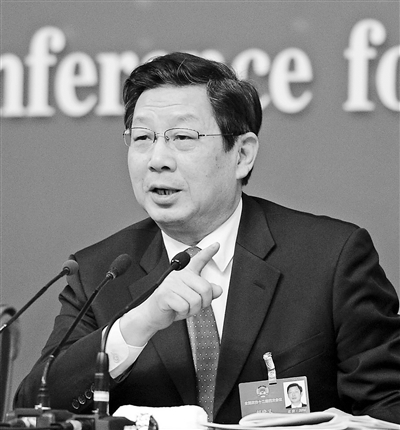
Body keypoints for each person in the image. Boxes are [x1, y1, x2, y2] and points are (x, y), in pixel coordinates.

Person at [14, 52, 400, 425]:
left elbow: (389, 408)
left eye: (182, 136)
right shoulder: (99, 272)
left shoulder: (330, 258)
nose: (157, 159)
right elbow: (34, 407)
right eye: (143, 137)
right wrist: (137, 324)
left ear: (242, 154)